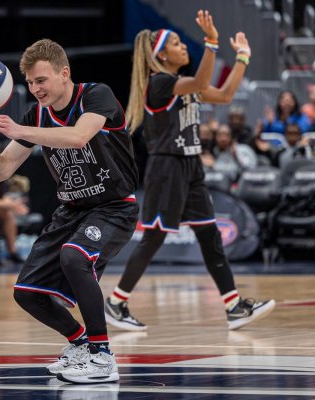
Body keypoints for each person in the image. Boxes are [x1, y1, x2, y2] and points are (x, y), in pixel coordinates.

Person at [104, 11, 275, 333]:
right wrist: (210, 42)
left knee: (210, 236)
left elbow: (223, 95)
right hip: (167, 167)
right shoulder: (160, 83)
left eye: (184, 43)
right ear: (161, 55)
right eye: (178, 44)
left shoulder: (183, 86)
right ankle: (116, 301)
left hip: (191, 166)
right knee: (154, 238)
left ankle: (234, 306)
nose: (184, 48)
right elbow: (199, 81)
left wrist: (242, 57)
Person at [0, 39, 138, 384]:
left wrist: (20, 130)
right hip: (71, 211)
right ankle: (80, 343)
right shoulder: (35, 115)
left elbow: (80, 137)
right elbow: (1, 170)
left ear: (64, 73)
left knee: (74, 257)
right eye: (30, 83)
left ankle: (102, 357)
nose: (36, 89)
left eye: (41, 80)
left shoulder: (97, 95)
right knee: (27, 293)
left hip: (113, 206)